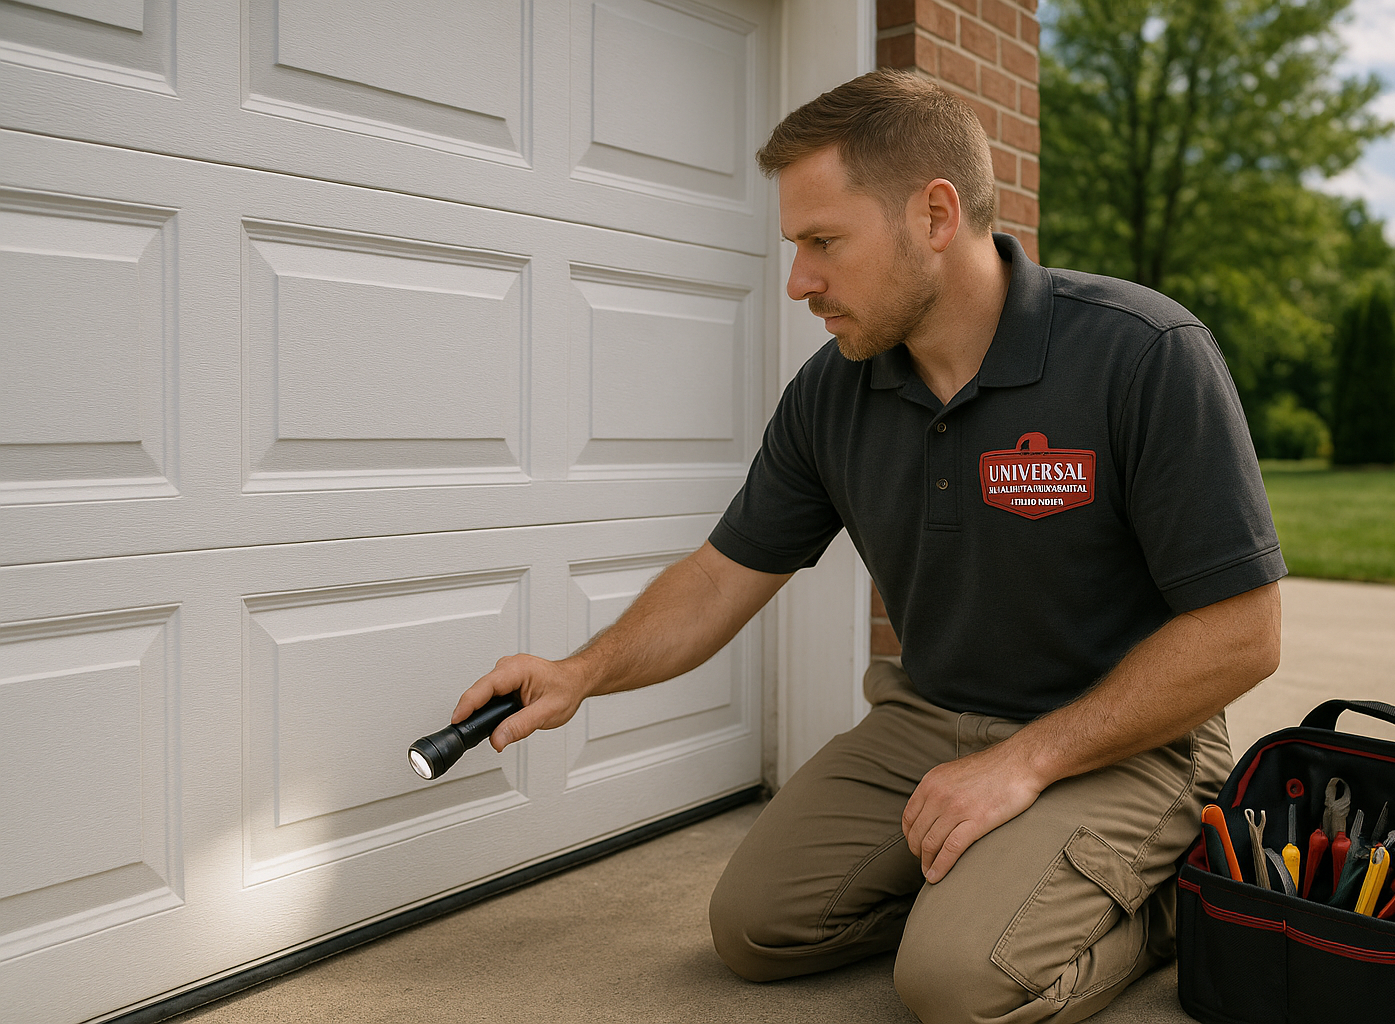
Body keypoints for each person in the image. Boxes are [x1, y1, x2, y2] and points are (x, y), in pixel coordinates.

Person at [451, 69, 1285, 1023]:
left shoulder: (1141, 353)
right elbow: (723, 576)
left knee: (955, 987)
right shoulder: (833, 393)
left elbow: (1243, 636)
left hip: (1125, 740)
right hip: (930, 722)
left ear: (934, 215)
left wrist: (1025, 765)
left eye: (823, 242)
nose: (800, 279)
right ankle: (994, 889)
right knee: (757, 930)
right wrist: (580, 672)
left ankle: (1170, 902)